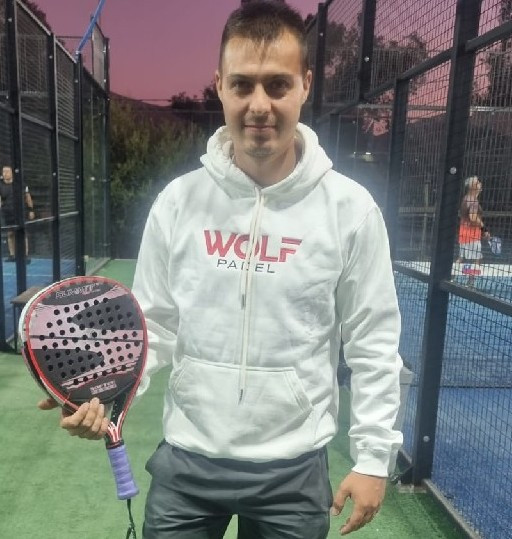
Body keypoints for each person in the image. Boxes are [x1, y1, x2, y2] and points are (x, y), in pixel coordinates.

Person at [38, 2, 403, 537]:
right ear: (220, 86)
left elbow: (373, 340)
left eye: (277, 85)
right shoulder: (178, 202)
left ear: (305, 84)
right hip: (188, 459)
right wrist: (104, 393)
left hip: (293, 470)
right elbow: (153, 325)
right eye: (242, 85)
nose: (259, 105)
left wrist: (373, 457)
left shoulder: (350, 210)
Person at [458, 176, 489, 286]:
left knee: (461, 258)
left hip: (463, 233)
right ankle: (470, 283)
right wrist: (484, 228)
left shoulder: (466, 198)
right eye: (478, 182)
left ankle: (451, 278)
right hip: (472, 234)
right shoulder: (473, 201)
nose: (480, 183)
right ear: (472, 186)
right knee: (477, 259)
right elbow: (473, 217)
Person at [0, 165, 35, 262]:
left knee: (22, 233)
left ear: (12, 173)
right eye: (3, 171)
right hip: (7, 213)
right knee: (10, 233)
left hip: (20, 212)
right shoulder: (0, 185)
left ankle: (25, 255)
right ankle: (12, 255)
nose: (5, 173)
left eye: (7, 171)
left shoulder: (20, 184)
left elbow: (27, 197)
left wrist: (31, 209)